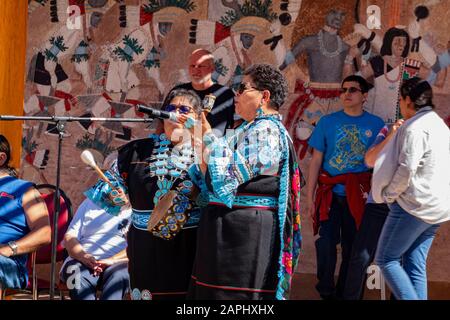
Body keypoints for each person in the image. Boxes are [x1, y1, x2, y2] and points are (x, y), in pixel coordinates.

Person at [188, 64, 302, 300]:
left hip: (244, 234)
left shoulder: (267, 130)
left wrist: (208, 136)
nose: (236, 95)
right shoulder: (249, 129)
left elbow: (227, 178)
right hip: (232, 229)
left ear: (265, 96)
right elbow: (211, 173)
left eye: (242, 88)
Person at [84, 88, 205, 300]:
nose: (176, 113)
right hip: (145, 246)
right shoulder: (135, 151)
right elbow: (108, 193)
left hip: (190, 244)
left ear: (197, 118)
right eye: (171, 108)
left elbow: (222, 191)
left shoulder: (207, 153)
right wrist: (115, 196)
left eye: (184, 109)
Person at [306, 75, 384, 300]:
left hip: (359, 197)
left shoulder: (377, 124)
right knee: (326, 246)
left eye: (353, 90)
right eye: (343, 90)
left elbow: (381, 164)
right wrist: (310, 198)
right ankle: (327, 292)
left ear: (364, 96)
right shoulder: (327, 122)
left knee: (354, 251)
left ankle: (348, 296)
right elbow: (315, 162)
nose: (346, 94)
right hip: (330, 195)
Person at [372, 78, 450, 300]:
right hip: (438, 209)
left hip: (414, 207)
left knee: (386, 259)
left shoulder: (415, 127)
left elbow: (407, 168)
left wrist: (389, 195)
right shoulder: (440, 125)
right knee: (415, 263)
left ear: (407, 100)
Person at [342, 119, 404, 300]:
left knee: (400, 261)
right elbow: (369, 160)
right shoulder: (388, 129)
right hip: (378, 203)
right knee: (360, 257)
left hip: (404, 206)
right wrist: (391, 134)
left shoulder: (424, 130)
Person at [279, 9, 351, 160]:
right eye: (334, 13)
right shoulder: (309, 41)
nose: (338, 17)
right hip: (313, 98)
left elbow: (351, 75)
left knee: (335, 143)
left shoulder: (345, 47)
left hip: (337, 101)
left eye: (342, 15)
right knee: (303, 135)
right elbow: (285, 62)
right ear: (323, 13)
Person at [0, 134, 51, 293]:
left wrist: (7, 249)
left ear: (1, 158)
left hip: (8, 263)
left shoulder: (24, 190)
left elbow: (44, 233)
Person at [59, 197, 131, 300]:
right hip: (81, 260)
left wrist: (112, 260)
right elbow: (69, 237)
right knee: (74, 272)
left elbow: (138, 247)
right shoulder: (90, 201)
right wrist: (83, 256)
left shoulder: (137, 208)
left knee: (121, 275)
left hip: (119, 262)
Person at [168, 49, 237, 136]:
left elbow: (236, 122)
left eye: (200, 66)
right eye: (192, 66)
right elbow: (161, 120)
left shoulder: (225, 94)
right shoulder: (178, 91)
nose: (195, 71)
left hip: (215, 147)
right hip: (179, 146)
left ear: (212, 69)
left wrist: (230, 146)